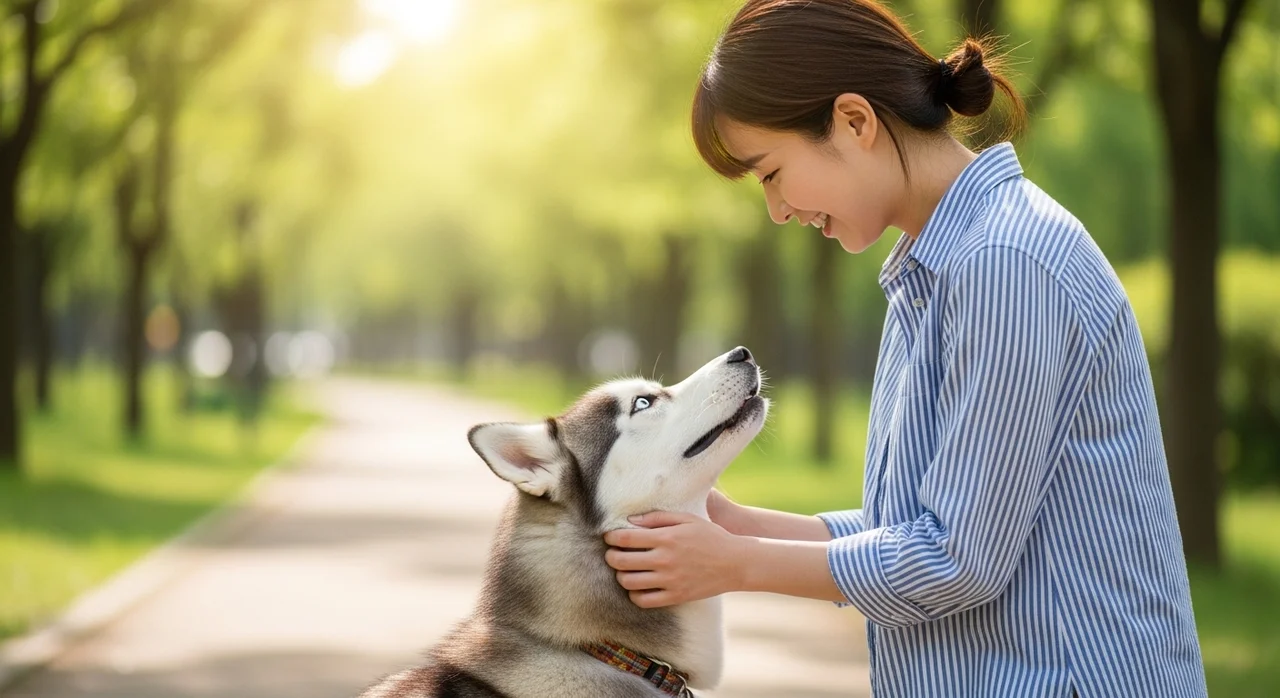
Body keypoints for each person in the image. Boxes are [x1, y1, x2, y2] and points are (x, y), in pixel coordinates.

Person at [601, 1, 1208, 696]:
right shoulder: (932, 269)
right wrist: (740, 527)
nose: (777, 210)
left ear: (854, 121)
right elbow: (913, 529)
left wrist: (738, 563)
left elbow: (956, 558)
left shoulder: (1004, 263)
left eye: (770, 172)